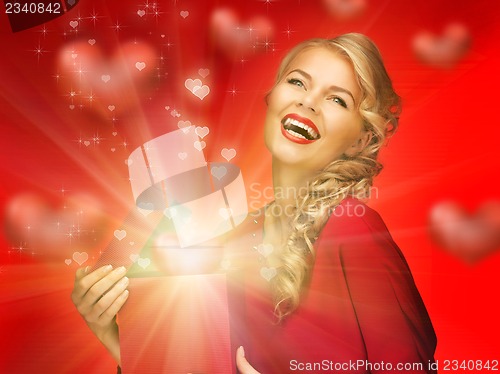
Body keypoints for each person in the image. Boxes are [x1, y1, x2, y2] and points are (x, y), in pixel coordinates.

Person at [72, 33, 437, 373]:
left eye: (337, 99)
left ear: (359, 140)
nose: (308, 101)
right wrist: (107, 332)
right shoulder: (237, 240)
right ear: (272, 98)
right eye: (297, 82)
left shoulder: (351, 227)